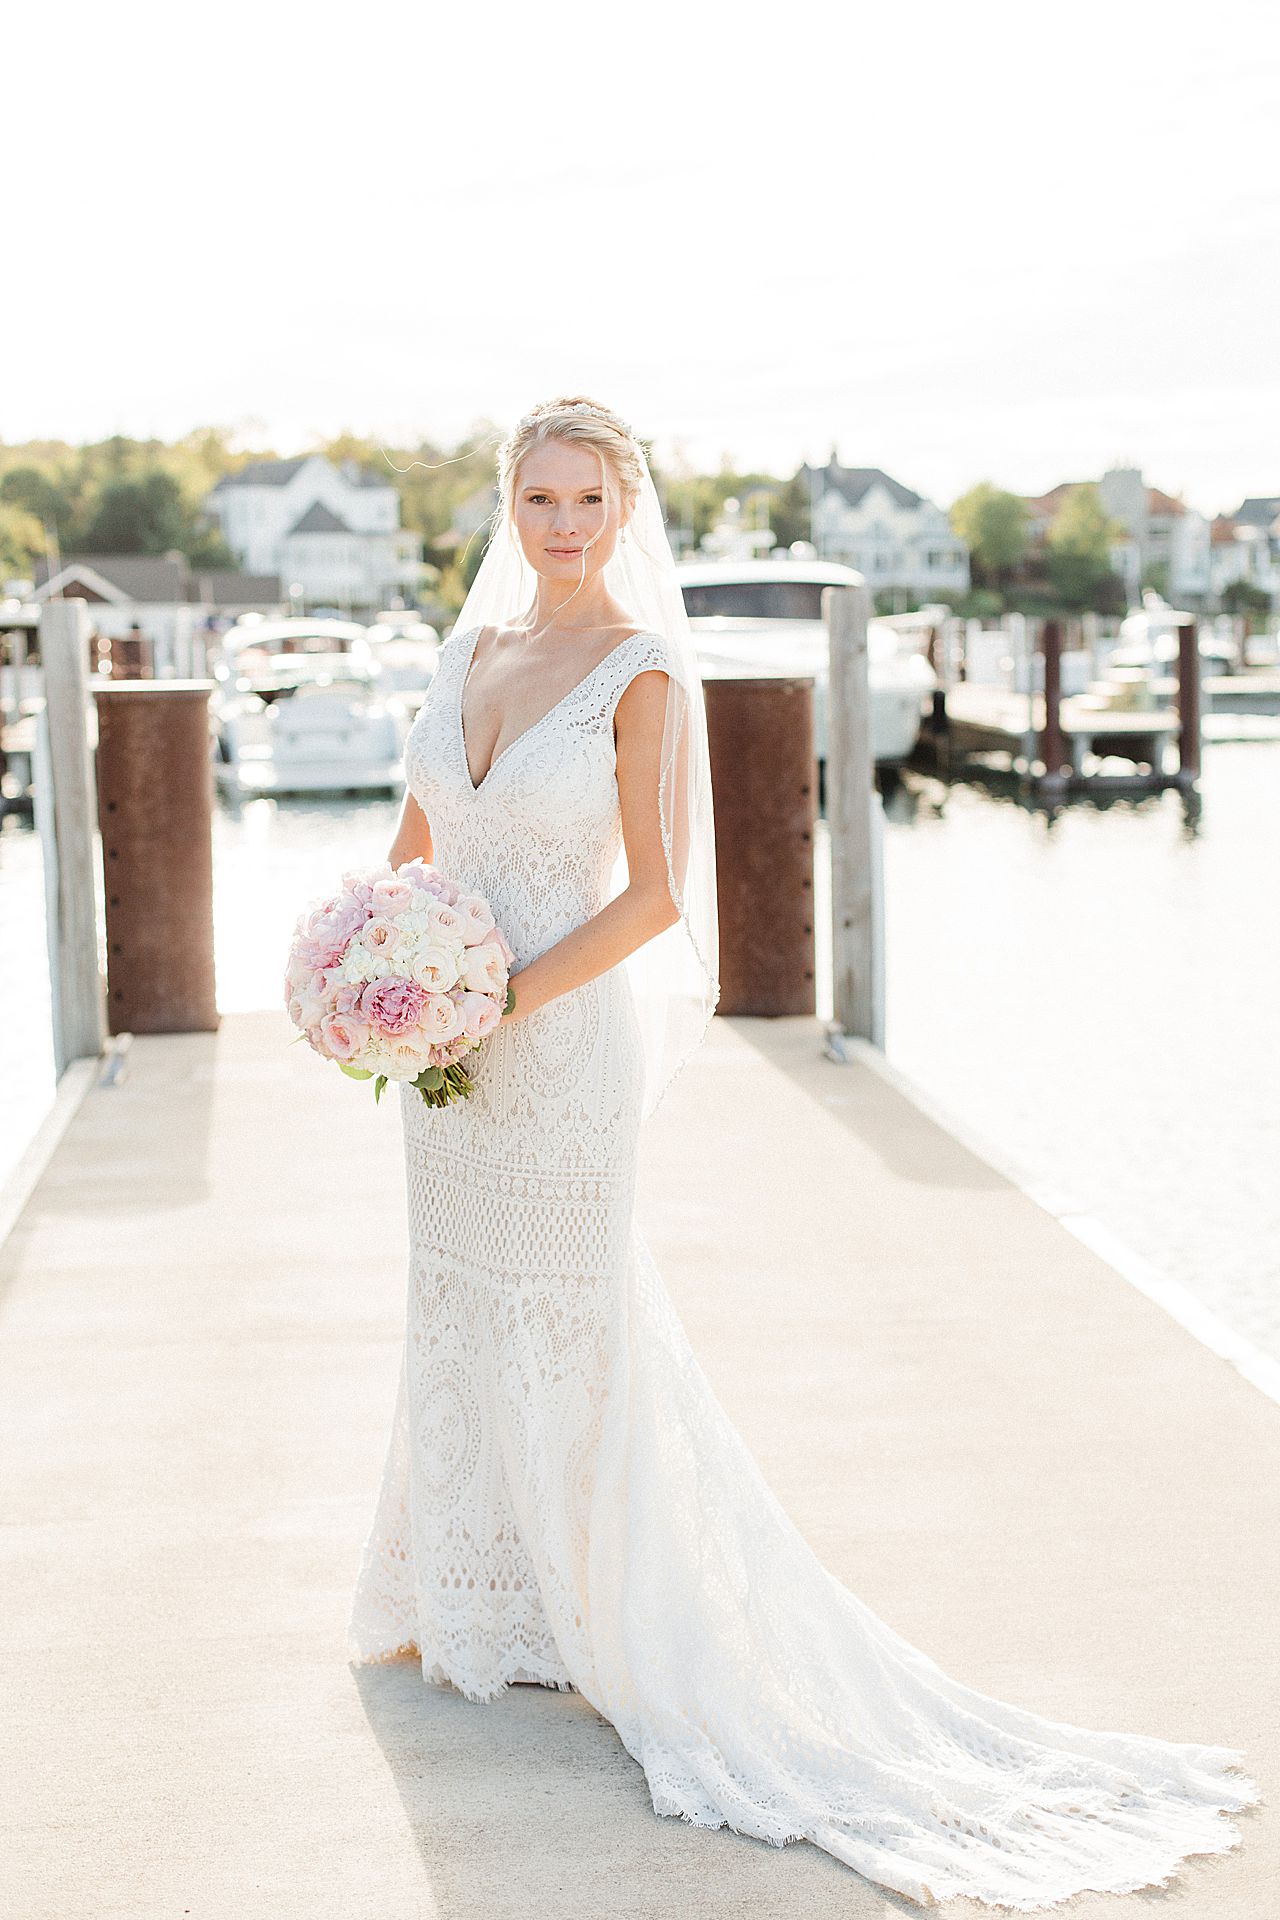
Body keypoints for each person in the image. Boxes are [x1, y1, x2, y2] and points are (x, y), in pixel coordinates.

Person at [346, 395, 1257, 1909]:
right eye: (539, 499)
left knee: (574, 1319)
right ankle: (471, 1600)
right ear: (505, 508)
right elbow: (414, 851)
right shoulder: (462, 659)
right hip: (440, 1053)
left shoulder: (641, 674)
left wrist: (493, 998)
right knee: (459, 1295)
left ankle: (607, 1622)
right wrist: (371, 975)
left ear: (625, 513)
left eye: (587, 500)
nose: (561, 524)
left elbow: (652, 905)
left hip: (552, 1049)